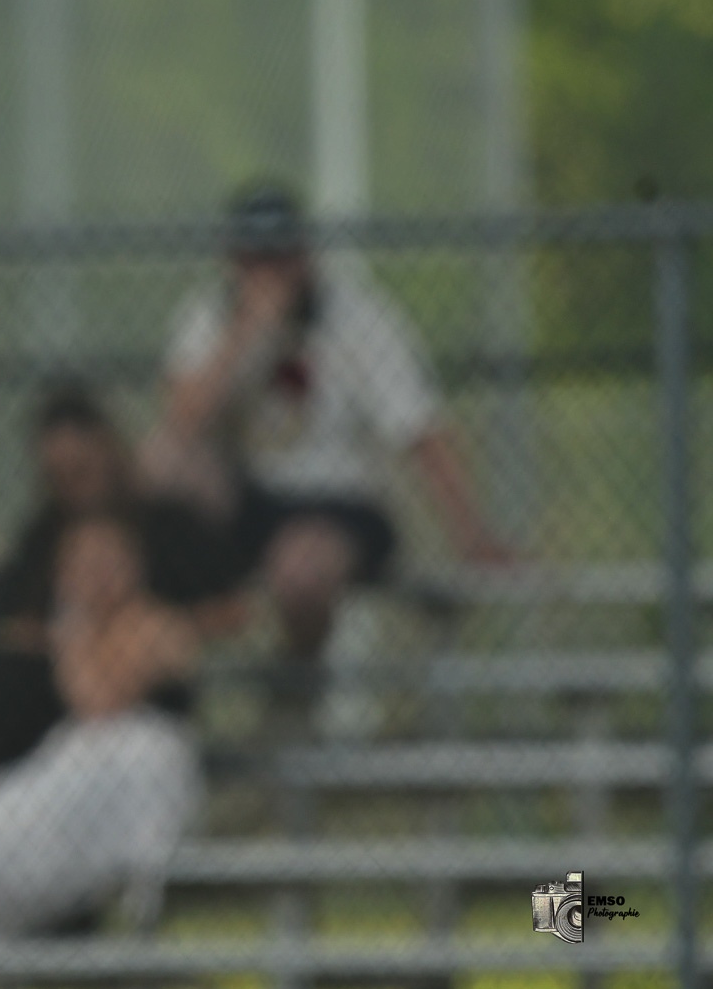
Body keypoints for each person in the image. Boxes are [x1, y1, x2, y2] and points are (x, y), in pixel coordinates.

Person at [144, 181, 507, 673]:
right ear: (233, 260)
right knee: (159, 459)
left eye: (283, 256)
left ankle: (297, 684)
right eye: (257, 258)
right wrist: (248, 329)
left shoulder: (359, 318)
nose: (272, 272)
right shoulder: (210, 315)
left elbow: (421, 432)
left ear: (306, 254)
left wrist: (473, 537)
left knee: (300, 571)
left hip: (339, 503)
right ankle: (158, 620)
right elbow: (181, 421)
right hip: (247, 500)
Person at [0, 502, 234, 941]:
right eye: (83, 563)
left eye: (108, 559)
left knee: (56, 809)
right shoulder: (80, 634)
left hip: (142, 765)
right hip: (80, 758)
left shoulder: (156, 622)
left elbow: (98, 699)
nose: (96, 574)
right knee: (5, 806)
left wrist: (67, 627)